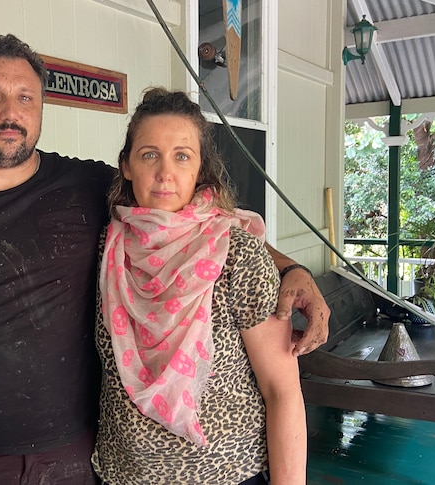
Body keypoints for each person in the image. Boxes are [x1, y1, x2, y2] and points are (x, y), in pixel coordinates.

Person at [0, 34, 322, 484]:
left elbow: (211, 226)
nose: (10, 113)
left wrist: (291, 268)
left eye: (25, 98)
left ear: (41, 109)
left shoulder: (88, 189)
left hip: (74, 453)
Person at [92, 87, 306, 484]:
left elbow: (283, 392)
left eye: (182, 156)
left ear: (200, 168)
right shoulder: (108, 248)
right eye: (149, 154)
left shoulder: (236, 253)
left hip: (227, 475)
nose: (165, 173)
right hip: (123, 476)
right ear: (126, 165)